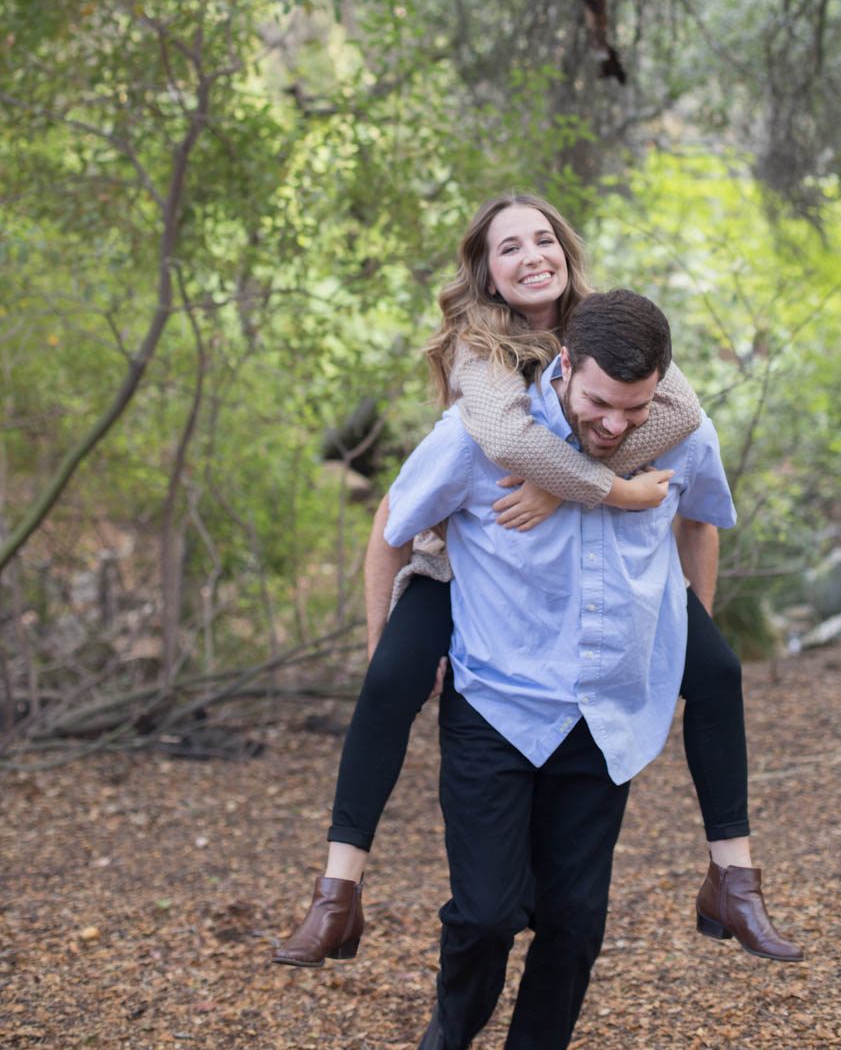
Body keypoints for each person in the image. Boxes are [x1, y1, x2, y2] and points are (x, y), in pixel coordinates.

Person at [272, 195, 801, 971]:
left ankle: (733, 874)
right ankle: (338, 892)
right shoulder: (477, 349)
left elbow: (678, 413)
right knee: (388, 680)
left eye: (544, 239)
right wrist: (606, 488)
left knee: (716, 670)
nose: (531, 256)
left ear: (567, 249)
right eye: (508, 246)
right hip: (460, 561)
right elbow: (509, 439)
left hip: (568, 553)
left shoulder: (612, 327)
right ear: (485, 269)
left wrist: (568, 483)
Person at [389, 288, 742, 1048]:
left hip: (605, 715)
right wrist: (391, 658)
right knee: (485, 915)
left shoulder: (675, 435)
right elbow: (394, 524)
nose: (616, 427)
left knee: (575, 923)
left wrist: (682, 635)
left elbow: (703, 517)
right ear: (565, 365)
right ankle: (446, 1039)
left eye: (637, 410)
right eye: (601, 405)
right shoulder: (481, 437)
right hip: (496, 708)